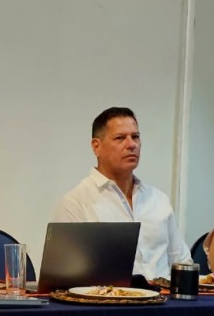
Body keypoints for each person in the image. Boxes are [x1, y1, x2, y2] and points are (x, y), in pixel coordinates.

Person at [53, 107, 192, 280]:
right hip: (109, 296)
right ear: (96, 147)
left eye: (135, 137)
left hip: (164, 296)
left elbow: (182, 262)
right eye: (120, 138)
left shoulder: (158, 200)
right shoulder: (76, 203)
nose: (131, 144)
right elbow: (62, 276)